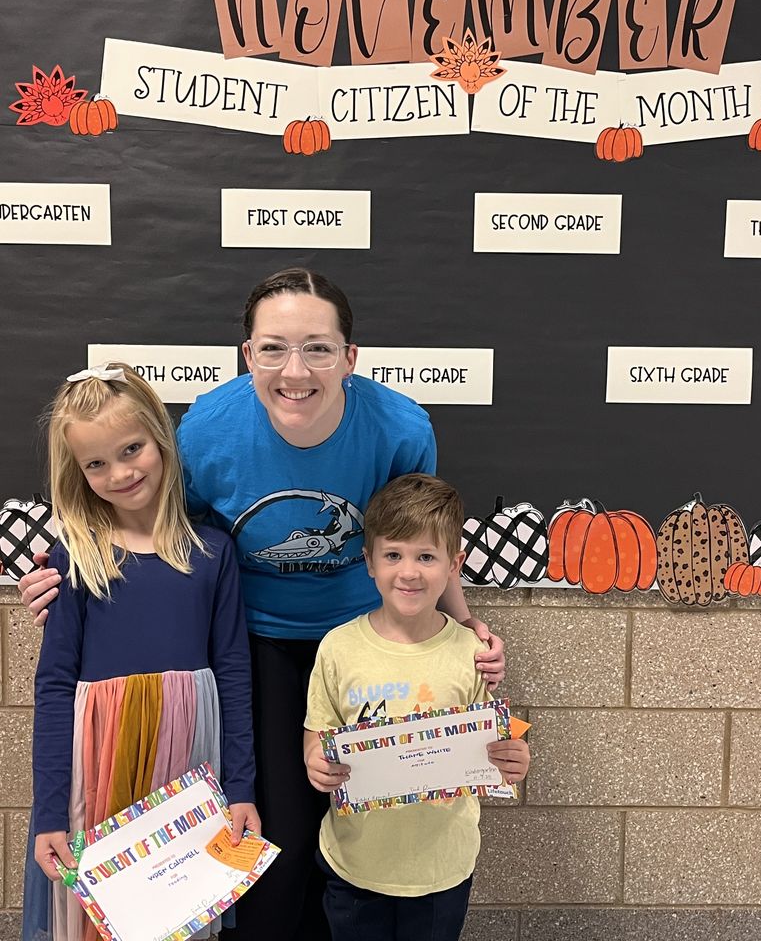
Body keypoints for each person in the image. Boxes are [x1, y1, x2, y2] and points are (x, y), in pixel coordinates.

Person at [20, 267, 505, 940]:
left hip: (363, 638)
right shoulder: (206, 433)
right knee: (279, 833)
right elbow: (152, 526)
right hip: (256, 641)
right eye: (273, 348)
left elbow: (419, 533)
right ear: (248, 355)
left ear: (350, 358)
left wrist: (464, 623)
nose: (295, 369)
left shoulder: (399, 427)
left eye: (317, 348)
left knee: (365, 815)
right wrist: (69, 572)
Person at [24, 363, 258, 941]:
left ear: (161, 438)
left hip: (189, 763)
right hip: (96, 764)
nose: (120, 473)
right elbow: (53, 684)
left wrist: (242, 790)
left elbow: (233, 672)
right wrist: (51, 812)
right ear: (77, 472)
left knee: (176, 906)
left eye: (132, 449)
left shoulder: (213, 552)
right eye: (96, 463)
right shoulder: (76, 556)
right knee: (98, 914)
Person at [304, 473, 529, 941]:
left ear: (454, 564)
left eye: (426, 556)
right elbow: (318, 735)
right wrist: (315, 763)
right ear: (368, 561)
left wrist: (513, 760)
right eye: (393, 555)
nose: (409, 572)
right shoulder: (337, 648)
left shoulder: (472, 651)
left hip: (441, 870)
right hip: (354, 864)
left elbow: (494, 748)